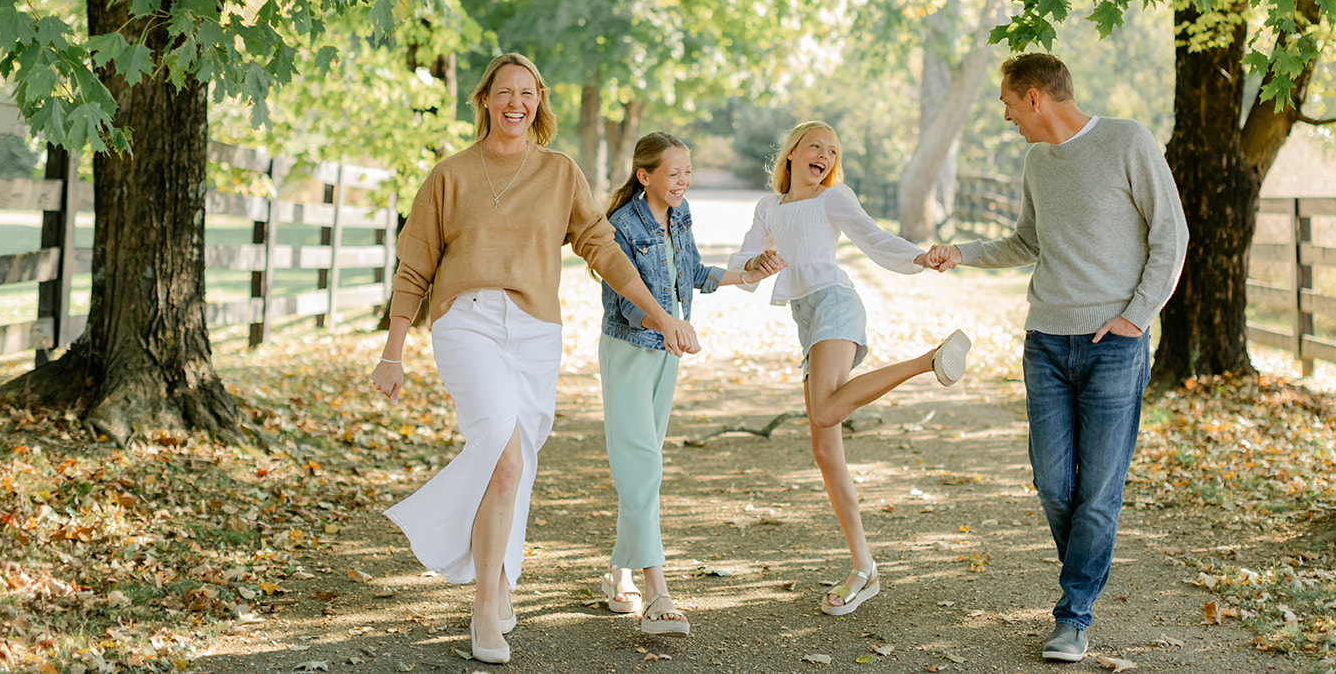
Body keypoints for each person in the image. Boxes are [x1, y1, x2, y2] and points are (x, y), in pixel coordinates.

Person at [368, 53, 699, 666]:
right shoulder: (450, 176)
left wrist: (660, 314)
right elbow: (414, 265)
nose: (515, 103)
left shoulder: (559, 173)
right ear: (486, 101)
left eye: (527, 93)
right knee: (501, 448)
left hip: (535, 332)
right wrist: (393, 350)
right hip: (466, 321)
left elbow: (601, 245)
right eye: (504, 92)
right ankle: (485, 606)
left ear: (539, 101)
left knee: (514, 468)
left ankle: (498, 581)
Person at [924, 52, 1188, 663]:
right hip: (1045, 342)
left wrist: (1135, 317)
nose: (1007, 114)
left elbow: (1169, 235)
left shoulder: (1127, 141)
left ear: (1036, 97)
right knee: (1052, 482)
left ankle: (1074, 613)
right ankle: (1085, 578)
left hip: (1114, 346)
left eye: (1009, 103)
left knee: (1098, 489)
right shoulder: (1037, 161)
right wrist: (959, 253)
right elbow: (1027, 241)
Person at [729, 120, 972, 618]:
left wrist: (921, 257)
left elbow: (874, 237)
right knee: (825, 449)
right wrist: (757, 264)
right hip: (807, 318)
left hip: (834, 304)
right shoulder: (769, 207)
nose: (824, 154)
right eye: (815, 145)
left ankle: (929, 360)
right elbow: (743, 265)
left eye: (832, 150)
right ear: (793, 153)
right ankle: (865, 569)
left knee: (823, 413)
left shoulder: (834, 199)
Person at [597, 133, 786, 636]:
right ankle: (656, 591)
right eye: (674, 172)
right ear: (646, 177)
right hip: (630, 354)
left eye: (688, 171)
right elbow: (626, 305)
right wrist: (669, 323)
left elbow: (694, 273)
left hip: (669, 353)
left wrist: (747, 273)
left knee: (645, 462)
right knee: (642, 465)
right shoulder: (620, 226)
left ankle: (618, 572)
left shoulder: (679, 216)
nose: (683, 181)